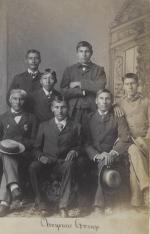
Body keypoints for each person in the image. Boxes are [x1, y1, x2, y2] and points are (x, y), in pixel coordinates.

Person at [29, 94, 82, 217]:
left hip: (63, 163)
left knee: (70, 165)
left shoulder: (76, 126)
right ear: (52, 108)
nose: (60, 111)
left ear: (67, 109)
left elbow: (80, 145)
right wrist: (40, 156)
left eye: (63, 107)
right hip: (46, 161)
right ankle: (42, 203)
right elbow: (35, 148)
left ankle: (63, 206)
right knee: (33, 167)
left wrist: (75, 151)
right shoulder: (44, 125)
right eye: (57, 107)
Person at [85, 89, 131, 215]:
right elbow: (86, 142)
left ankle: (99, 205)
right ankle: (106, 203)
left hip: (112, 156)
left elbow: (125, 138)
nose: (104, 102)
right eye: (101, 98)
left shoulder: (117, 117)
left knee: (104, 163)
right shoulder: (88, 117)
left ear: (111, 102)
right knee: (101, 162)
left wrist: (112, 153)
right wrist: (96, 155)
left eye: (107, 99)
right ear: (96, 101)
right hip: (93, 156)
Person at [0, 89, 37, 217]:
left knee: (7, 159)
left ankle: (5, 201)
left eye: (21, 99)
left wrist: (19, 144)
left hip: (24, 154)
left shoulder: (31, 118)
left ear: (24, 101)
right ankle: (13, 190)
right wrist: (7, 145)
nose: (18, 102)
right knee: (6, 155)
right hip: (4, 153)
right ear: (10, 100)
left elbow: (35, 140)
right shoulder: (2, 118)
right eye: (15, 99)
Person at [119, 73, 150, 210]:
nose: (130, 87)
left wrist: (146, 139)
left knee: (135, 159)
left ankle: (137, 201)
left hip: (145, 141)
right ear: (124, 86)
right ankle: (147, 190)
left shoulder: (146, 101)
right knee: (133, 149)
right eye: (127, 84)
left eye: (133, 83)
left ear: (138, 85)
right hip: (129, 141)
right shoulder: (119, 103)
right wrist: (115, 108)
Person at [60, 41, 107, 124]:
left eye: (87, 51)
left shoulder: (99, 70)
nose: (84, 54)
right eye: (81, 51)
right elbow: (64, 91)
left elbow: (100, 87)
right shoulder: (69, 70)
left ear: (91, 53)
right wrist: (82, 91)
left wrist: (79, 84)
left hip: (92, 110)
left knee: (91, 135)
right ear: (77, 53)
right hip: (73, 111)